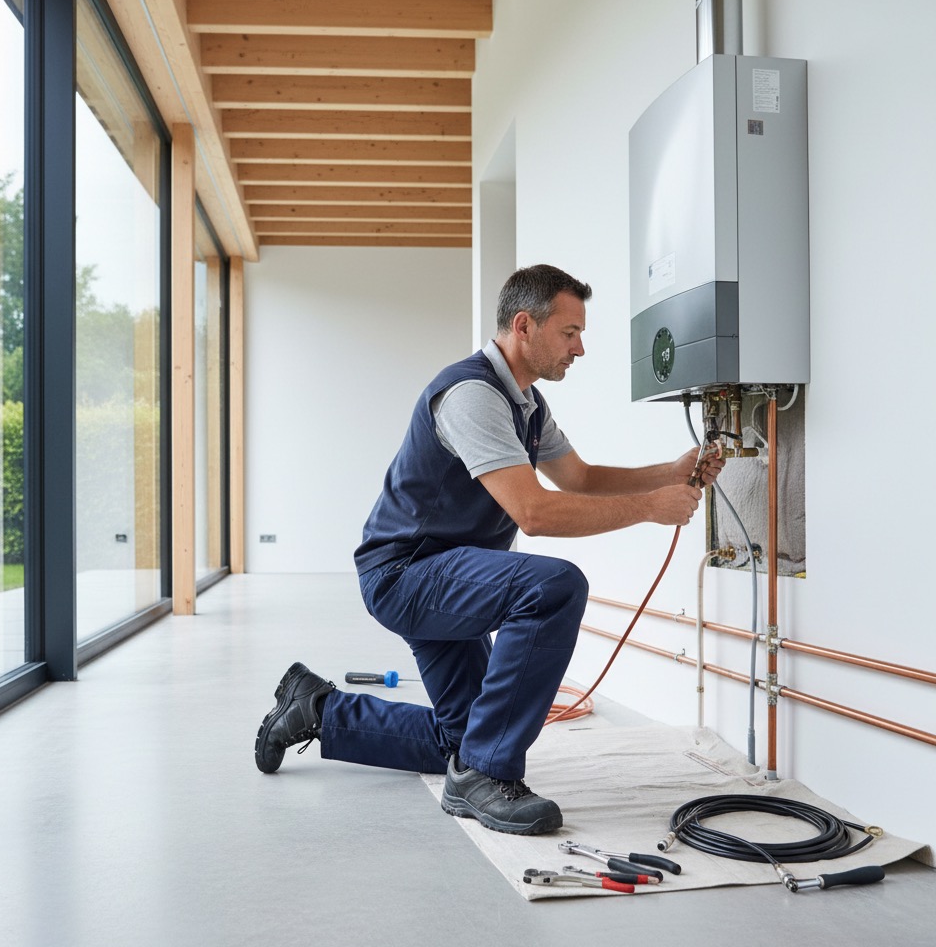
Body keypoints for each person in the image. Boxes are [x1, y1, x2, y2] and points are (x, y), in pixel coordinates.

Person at [254, 264, 723, 836]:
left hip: (449, 575)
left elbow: (577, 478)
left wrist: (665, 475)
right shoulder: (472, 396)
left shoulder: (525, 403)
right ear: (525, 325)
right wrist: (651, 508)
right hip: (407, 574)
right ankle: (486, 775)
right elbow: (536, 512)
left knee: (459, 737)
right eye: (570, 332)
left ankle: (315, 708)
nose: (581, 348)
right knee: (554, 588)